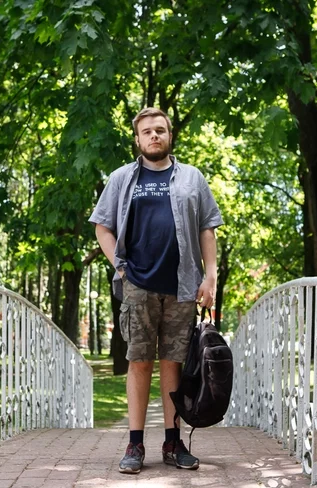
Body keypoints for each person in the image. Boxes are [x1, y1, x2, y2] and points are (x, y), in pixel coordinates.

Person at [89, 107, 223, 474]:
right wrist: (121, 268)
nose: (154, 136)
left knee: (173, 363)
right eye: (147, 131)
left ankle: (172, 442)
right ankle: (135, 444)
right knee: (139, 361)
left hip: (182, 286)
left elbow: (207, 228)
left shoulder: (192, 178)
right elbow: (102, 227)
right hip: (138, 286)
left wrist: (210, 276)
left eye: (160, 130)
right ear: (137, 138)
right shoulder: (121, 178)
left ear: (169, 135)